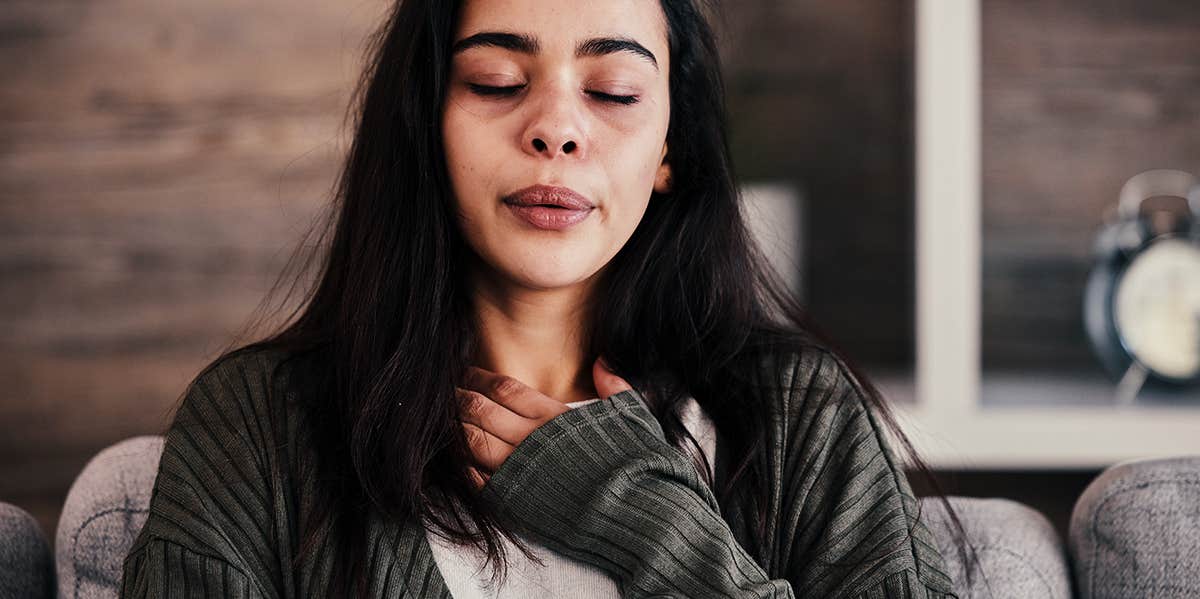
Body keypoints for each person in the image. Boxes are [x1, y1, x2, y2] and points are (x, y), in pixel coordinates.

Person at [120, 0, 971, 597]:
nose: (556, 127)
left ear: (670, 147)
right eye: (495, 80)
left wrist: (655, 531)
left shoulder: (802, 418)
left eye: (613, 92)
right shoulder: (254, 426)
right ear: (426, 121)